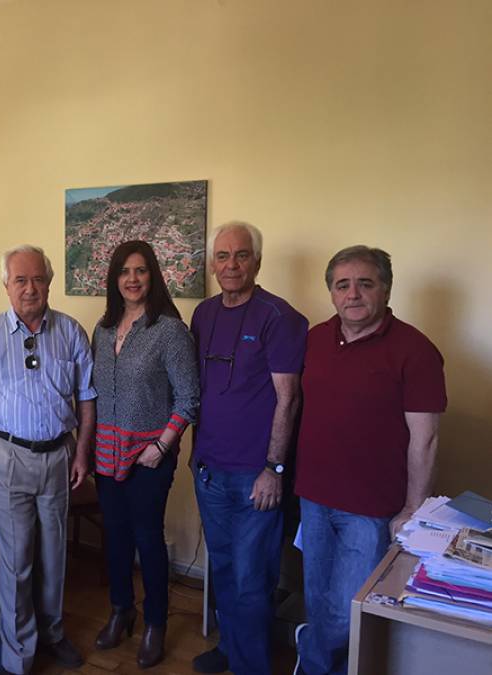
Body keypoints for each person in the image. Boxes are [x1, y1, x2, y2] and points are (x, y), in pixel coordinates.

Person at [293, 246, 446, 675]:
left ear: (386, 289)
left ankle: (311, 649)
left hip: (372, 509)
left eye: (365, 283)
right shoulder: (315, 339)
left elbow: (426, 439)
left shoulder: (415, 350)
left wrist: (413, 508)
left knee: (347, 612)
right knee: (317, 599)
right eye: (342, 285)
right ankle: (319, 666)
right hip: (313, 498)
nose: (353, 294)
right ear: (331, 292)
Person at [0, 244, 96, 675]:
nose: (30, 288)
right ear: (6, 285)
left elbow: (86, 398)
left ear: (49, 283)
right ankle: (19, 655)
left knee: (54, 555)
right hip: (7, 457)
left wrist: (82, 452)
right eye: (21, 280)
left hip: (59, 456)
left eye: (38, 279)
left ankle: (52, 632)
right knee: (16, 562)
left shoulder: (71, 332)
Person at [189, 221, 308, 675]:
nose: (231, 265)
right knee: (223, 570)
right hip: (210, 469)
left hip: (255, 476)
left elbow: (288, 398)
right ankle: (230, 646)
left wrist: (274, 469)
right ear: (212, 264)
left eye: (241, 255)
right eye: (222, 256)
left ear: (257, 261)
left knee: (251, 579)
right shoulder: (203, 314)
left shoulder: (280, 318)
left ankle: (250, 665)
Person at [91, 241, 199, 668]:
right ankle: (122, 609)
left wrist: (161, 447)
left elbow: (188, 398)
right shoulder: (102, 330)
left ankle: (155, 622)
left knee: (147, 538)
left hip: (149, 456)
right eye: (124, 271)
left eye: (140, 270)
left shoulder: (169, 330)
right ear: (114, 279)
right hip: (106, 455)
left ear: (153, 275)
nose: (132, 279)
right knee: (115, 537)